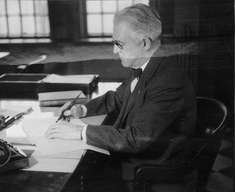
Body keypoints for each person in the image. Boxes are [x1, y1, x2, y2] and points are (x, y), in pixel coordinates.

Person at [45, 4, 197, 192]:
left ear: (144, 44)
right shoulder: (148, 65)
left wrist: (79, 132)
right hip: (139, 159)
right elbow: (118, 97)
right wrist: (81, 110)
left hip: (152, 170)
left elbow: (135, 139)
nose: (115, 51)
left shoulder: (168, 80)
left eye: (119, 44)